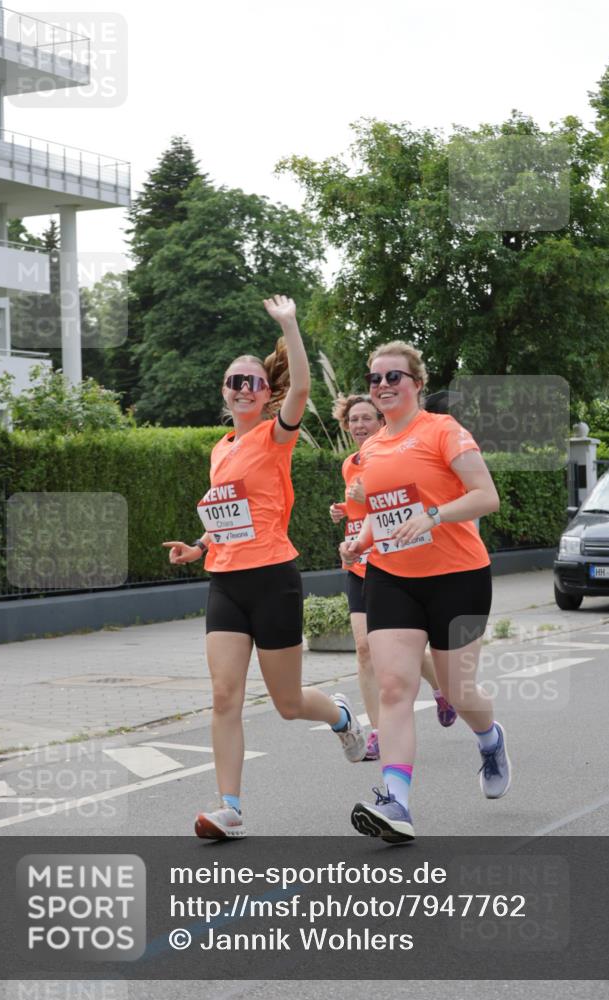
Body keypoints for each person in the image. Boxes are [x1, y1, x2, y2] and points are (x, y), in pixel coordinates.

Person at [164, 295, 365, 840]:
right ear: (225, 392)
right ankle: (229, 807)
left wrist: (290, 323)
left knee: (288, 702)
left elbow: (300, 388)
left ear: (264, 392)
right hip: (225, 581)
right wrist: (200, 546)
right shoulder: (219, 447)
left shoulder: (276, 435)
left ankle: (342, 717)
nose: (243, 388)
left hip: (274, 579)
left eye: (252, 381)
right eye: (234, 381)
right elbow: (227, 513)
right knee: (224, 695)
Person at [341, 341, 511, 844]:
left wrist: (435, 515)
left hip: (458, 574)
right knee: (395, 686)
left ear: (416, 382)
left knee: (459, 691)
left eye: (394, 377)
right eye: (375, 379)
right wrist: (359, 541)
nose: (383, 386)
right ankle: (396, 801)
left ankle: (489, 738)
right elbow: (381, 511)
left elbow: (487, 496)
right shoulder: (369, 450)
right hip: (392, 576)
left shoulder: (443, 431)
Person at [329, 394, 457, 761]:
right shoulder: (349, 464)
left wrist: (370, 496)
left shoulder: (399, 455)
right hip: (360, 564)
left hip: (395, 564)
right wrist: (345, 510)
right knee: (365, 649)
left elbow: (406, 505)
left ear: (381, 421)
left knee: (404, 648)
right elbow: (363, 512)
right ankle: (378, 734)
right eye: (353, 420)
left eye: (367, 418)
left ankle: (441, 688)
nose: (359, 426)